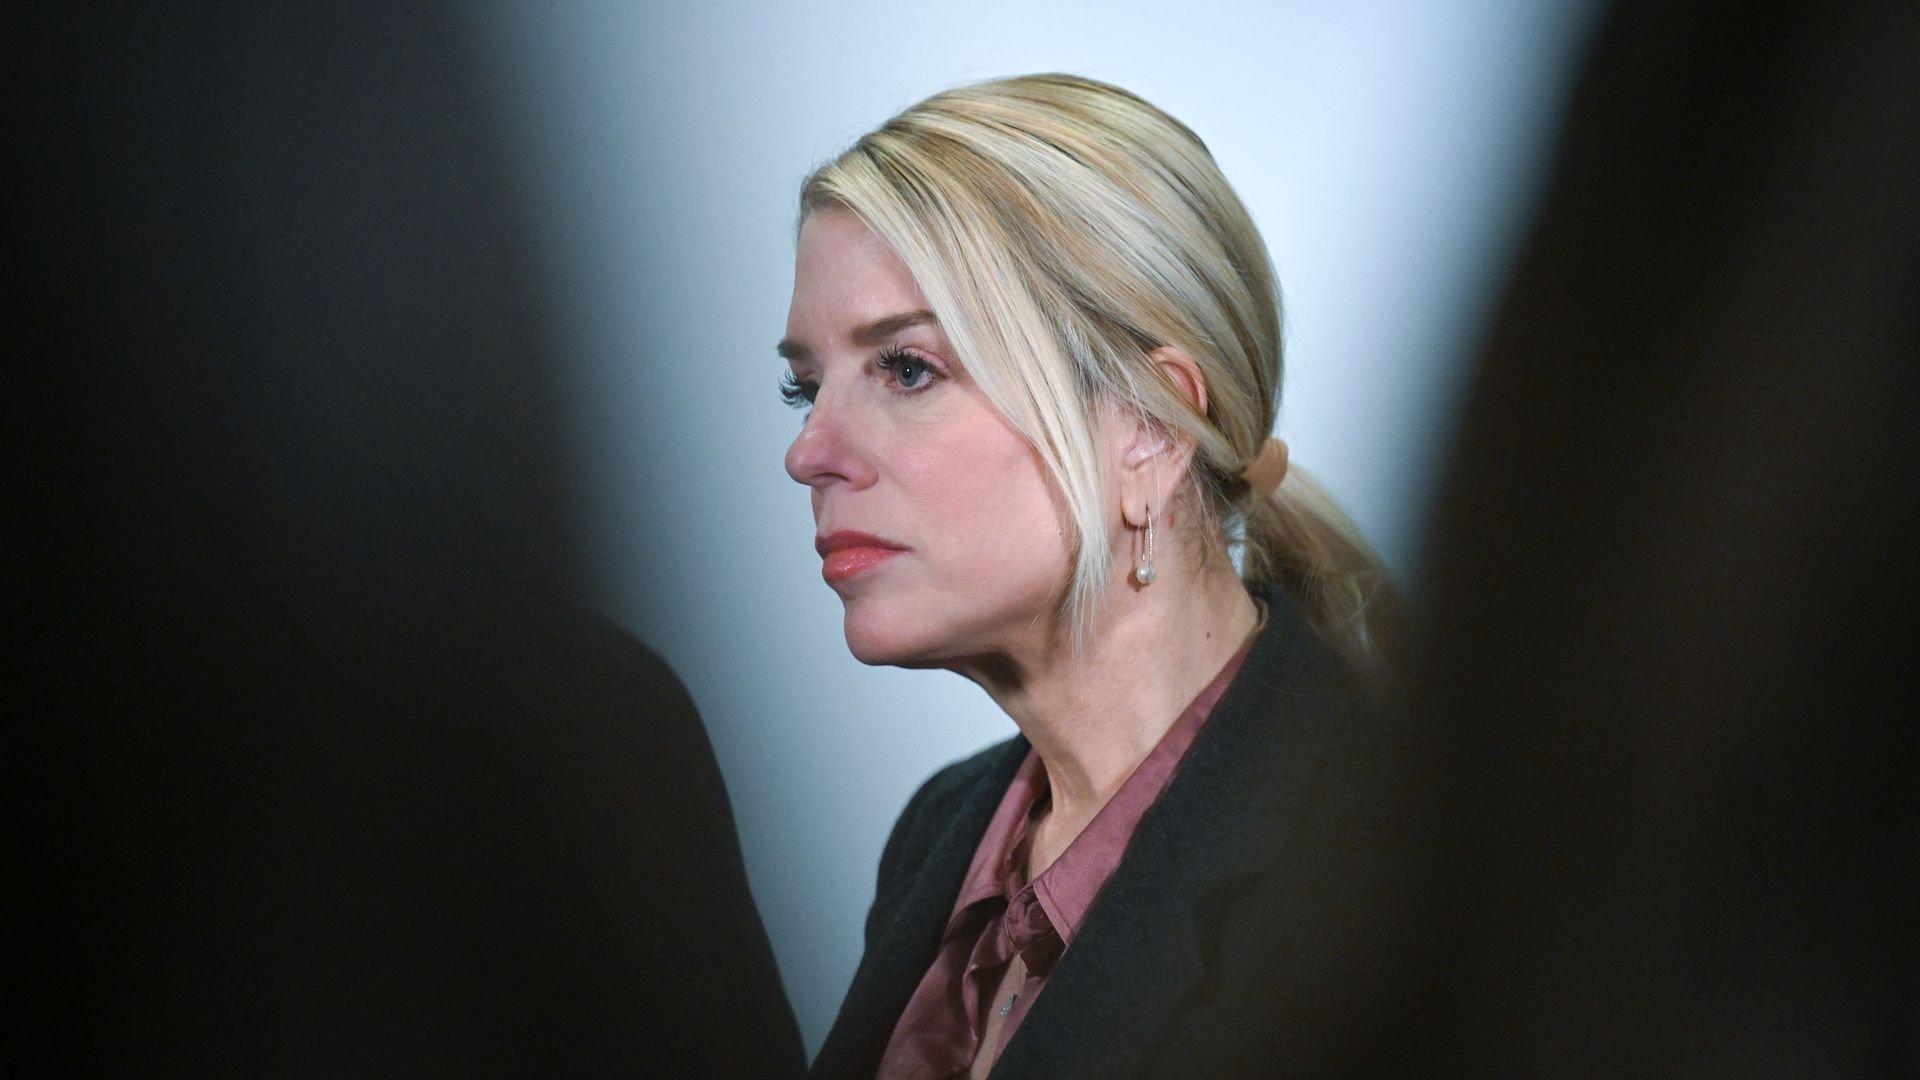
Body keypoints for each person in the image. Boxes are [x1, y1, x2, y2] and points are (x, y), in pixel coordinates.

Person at [779, 74, 1409, 1079]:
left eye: (905, 368)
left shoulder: (1394, 865)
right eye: (803, 388)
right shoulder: (940, 836)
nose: (809, 451)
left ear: (1150, 432)